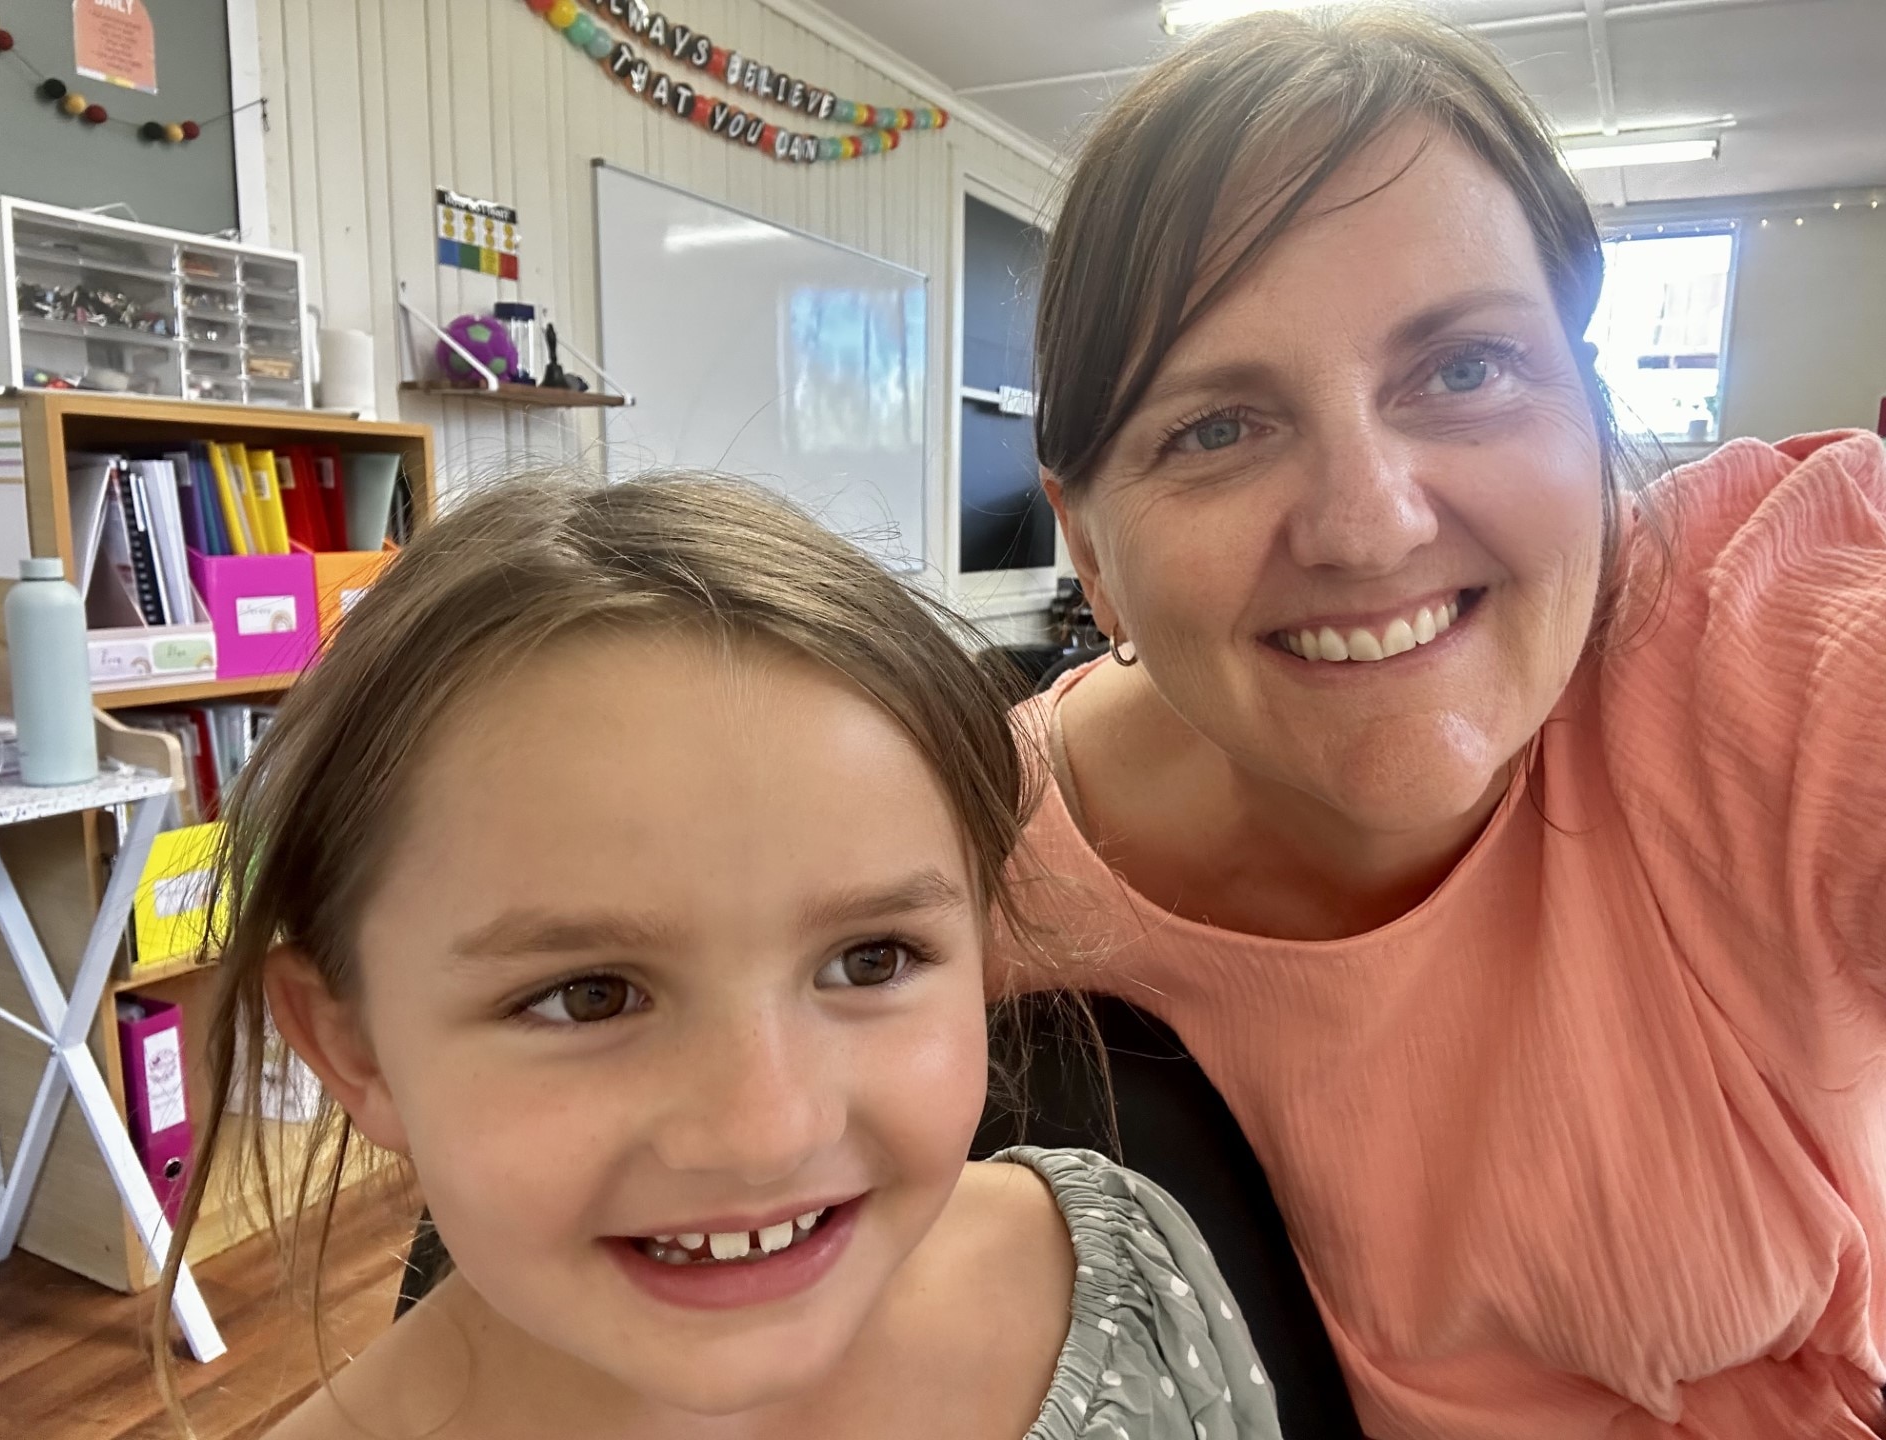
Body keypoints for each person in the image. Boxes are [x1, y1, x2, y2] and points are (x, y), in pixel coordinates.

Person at [1006, 9, 1886, 1440]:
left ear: (1589, 401)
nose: (1368, 526)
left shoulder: (1752, 640)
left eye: (1464, 368)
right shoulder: (944, 875)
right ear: (1090, 551)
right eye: (1217, 427)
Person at [150, 474, 1285, 1440]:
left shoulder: (1121, 1271)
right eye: (588, 997)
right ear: (352, 1050)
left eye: (872, 960)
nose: (767, 1131)